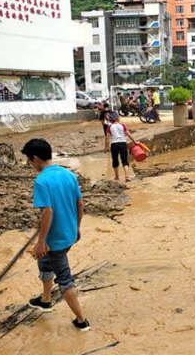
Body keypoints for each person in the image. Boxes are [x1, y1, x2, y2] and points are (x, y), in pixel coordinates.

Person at [21, 138, 90, 331]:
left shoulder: (41, 181)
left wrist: (41, 241)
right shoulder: (68, 174)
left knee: (64, 279)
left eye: (29, 160)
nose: (30, 164)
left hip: (55, 240)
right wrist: (77, 228)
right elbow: (80, 204)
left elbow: (47, 212)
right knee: (44, 262)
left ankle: (81, 321)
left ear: (35, 158)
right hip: (69, 234)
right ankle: (45, 300)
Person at [104, 112, 139, 181]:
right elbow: (128, 134)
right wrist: (135, 141)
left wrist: (106, 147)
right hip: (123, 143)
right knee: (125, 160)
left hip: (114, 144)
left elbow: (107, 138)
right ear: (117, 118)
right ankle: (127, 176)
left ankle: (117, 177)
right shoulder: (122, 125)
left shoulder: (110, 126)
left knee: (115, 160)